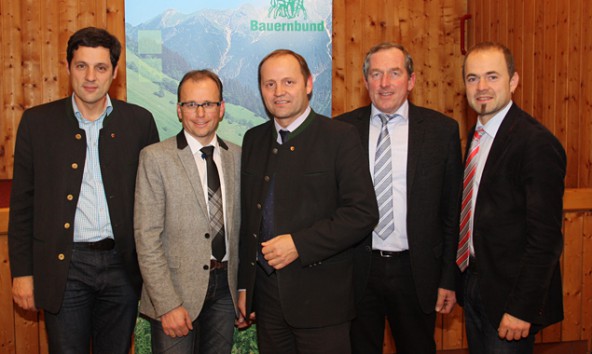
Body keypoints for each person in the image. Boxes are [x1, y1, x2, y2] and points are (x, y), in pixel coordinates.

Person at [8, 27, 159, 353]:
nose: (91, 76)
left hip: (123, 269)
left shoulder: (140, 122)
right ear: (67, 68)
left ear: (115, 73)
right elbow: (22, 205)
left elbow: (154, 202)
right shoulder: (37, 124)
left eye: (101, 67)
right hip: (65, 267)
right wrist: (22, 274)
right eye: (81, 66)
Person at [237, 49, 379, 354]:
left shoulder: (340, 137)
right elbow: (249, 218)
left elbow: (362, 213)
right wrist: (245, 286)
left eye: (288, 82)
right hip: (267, 297)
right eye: (269, 84)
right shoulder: (253, 140)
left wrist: (299, 244)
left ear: (309, 84)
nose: (279, 92)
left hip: (323, 300)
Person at [335, 42, 463, 354]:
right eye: (376, 74)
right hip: (358, 269)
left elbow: (451, 213)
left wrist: (448, 278)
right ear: (365, 83)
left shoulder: (441, 131)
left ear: (411, 80)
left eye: (394, 73)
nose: (385, 83)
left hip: (416, 271)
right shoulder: (341, 130)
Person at [457, 42, 566, 354]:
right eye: (472, 78)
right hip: (475, 284)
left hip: (511, 297)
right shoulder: (476, 137)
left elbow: (545, 239)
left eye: (492, 77)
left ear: (514, 81)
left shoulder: (535, 143)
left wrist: (522, 307)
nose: (481, 88)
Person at [134, 69, 241, 353]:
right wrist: (167, 303)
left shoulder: (239, 157)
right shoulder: (155, 157)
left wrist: (244, 292)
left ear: (222, 109)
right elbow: (147, 238)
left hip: (226, 291)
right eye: (191, 104)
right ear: (179, 110)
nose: (200, 112)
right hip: (176, 292)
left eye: (208, 103)